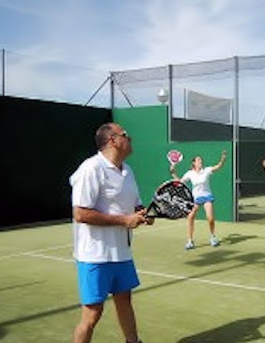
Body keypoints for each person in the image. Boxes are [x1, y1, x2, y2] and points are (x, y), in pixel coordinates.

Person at [69, 123, 153, 343]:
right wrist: (125, 220)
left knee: (125, 300)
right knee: (92, 314)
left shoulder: (127, 170)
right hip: (94, 255)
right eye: (126, 135)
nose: (131, 138)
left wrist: (142, 214)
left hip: (122, 253)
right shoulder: (91, 168)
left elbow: (134, 206)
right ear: (113, 140)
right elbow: (81, 213)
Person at [171, 150, 226, 250]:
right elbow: (180, 182)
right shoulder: (190, 173)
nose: (201, 161)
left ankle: (213, 237)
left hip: (207, 196)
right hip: (195, 198)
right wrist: (173, 171)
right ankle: (190, 241)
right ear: (194, 163)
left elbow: (218, 167)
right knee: (190, 217)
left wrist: (222, 159)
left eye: (201, 160)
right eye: (198, 160)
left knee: (210, 218)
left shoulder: (207, 170)